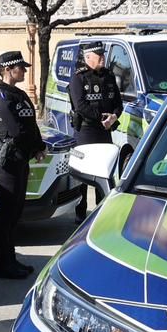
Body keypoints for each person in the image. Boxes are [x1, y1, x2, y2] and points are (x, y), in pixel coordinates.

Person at [0, 50, 46, 280]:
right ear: (8, 69)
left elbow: (31, 124)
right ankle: (3, 264)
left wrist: (38, 147)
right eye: (20, 67)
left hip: (20, 157)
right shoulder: (0, 96)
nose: (24, 71)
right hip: (7, 159)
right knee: (7, 212)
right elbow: (15, 129)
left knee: (16, 211)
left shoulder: (19, 94)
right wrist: (33, 145)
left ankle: (11, 259)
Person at [69, 41, 122, 217]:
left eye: (103, 54)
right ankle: (81, 212)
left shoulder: (109, 76)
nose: (102, 58)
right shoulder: (78, 78)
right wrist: (101, 118)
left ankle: (102, 211)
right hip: (86, 131)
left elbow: (118, 103)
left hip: (104, 131)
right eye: (99, 55)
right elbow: (81, 106)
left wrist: (114, 116)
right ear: (88, 57)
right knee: (83, 172)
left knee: (104, 171)